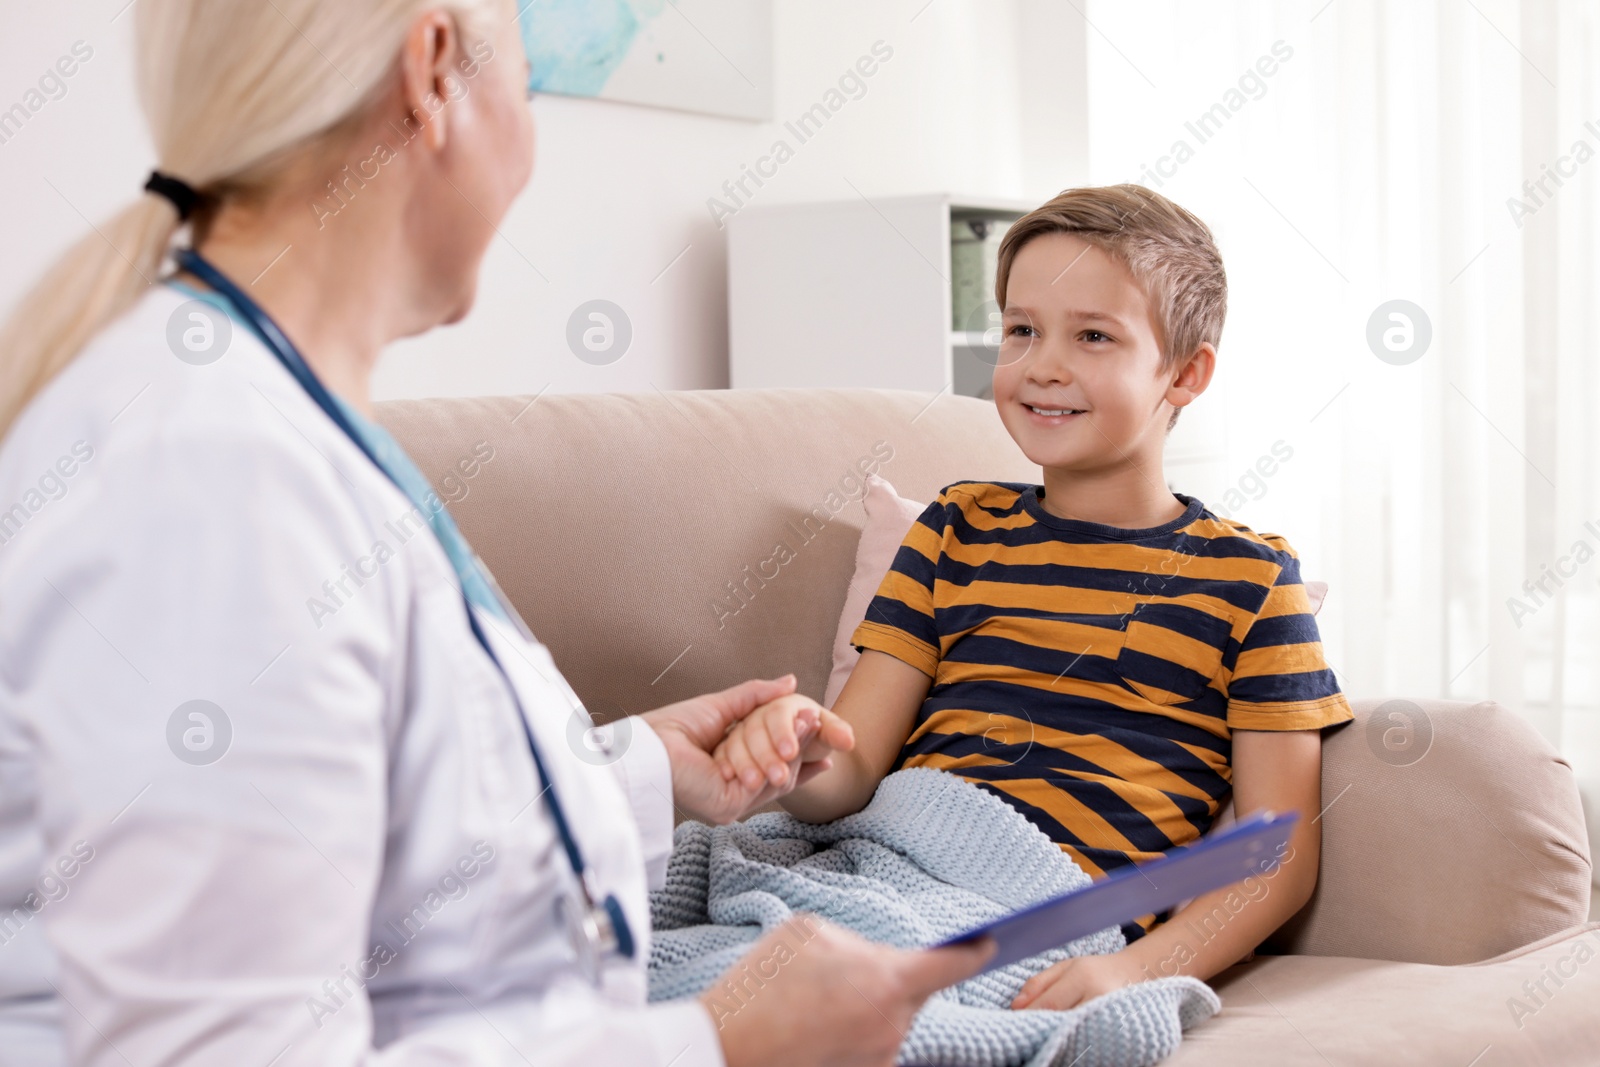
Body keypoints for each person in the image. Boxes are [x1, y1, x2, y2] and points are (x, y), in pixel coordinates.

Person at [0, 2, 992, 1064]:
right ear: (434, 71)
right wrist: (720, 1041)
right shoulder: (212, 474)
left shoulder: (270, 424)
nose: (530, 145)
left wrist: (637, 771)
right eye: (522, 84)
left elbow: (375, 818)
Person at [716, 184, 1353, 1010]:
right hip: (890, 857)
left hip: (1057, 909)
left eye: (1093, 335)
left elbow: (1272, 852)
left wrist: (1132, 968)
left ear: (1186, 373)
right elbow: (855, 769)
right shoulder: (955, 528)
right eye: (1021, 330)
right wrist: (795, 758)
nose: (1043, 364)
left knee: (824, 1007)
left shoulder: (1255, 580)